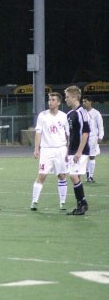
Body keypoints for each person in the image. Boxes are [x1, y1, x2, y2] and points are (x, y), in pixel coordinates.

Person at [30, 92, 69, 211]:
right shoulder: (43, 115)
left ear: (58, 102)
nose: (50, 102)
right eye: (49, 99)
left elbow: (69, 135)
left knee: (62, 175)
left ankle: (62, 202)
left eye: (53, 100)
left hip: (61, 149)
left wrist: (68, 150)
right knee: (42, 175)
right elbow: (38, 132)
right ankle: (34, 201)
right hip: (46, 150)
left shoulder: (64, 116)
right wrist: (36, 148)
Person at [64, 86, 90, 216]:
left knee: (73, 176)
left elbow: (85, 134)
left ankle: (83, 203)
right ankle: (80, 206)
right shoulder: (69, 114)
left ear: (74, 97)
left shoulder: (82, 112)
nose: (66, 99)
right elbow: (70, 135)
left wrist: (79, 152)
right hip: (72, 150)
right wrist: (67, 151)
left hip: (81, 151)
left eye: (67, 96)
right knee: (76, 177)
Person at [82, 95, 105, 182]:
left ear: (90, 102)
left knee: (92, 156)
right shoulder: (81, 112)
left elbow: (100, 126)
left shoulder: (96, 113)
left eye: (86, 101)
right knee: (83, 157)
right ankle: (86, 174)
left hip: (92, 138)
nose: (84, 103)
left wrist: (100, 136)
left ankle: (90, 176)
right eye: (83, 101)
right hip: (83, 138)